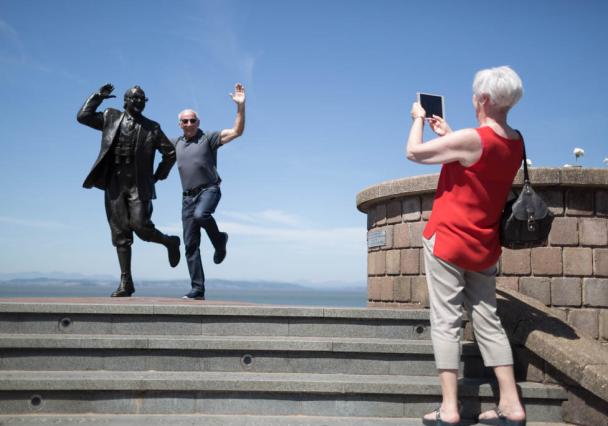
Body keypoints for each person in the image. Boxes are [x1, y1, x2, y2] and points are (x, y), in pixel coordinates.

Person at [406, 66, 527, 426]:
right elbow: (479, 163)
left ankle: (450, 408)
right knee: (488, 319)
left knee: (446, 321)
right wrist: (450, 134)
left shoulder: (473, 139)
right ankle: (512, 405)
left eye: (476, 94)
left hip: (448, 239)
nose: (473, 99)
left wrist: (417, 119)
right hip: (484, 243)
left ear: (485, 99)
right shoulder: (516, 141)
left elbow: (414, 152)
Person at [77, 84, 181, 297]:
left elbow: (170, 153)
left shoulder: (152, 127)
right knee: (120, 233)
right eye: (135, 98)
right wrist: (97, 97)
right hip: (115, 183)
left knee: (141, 227)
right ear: (125, 101)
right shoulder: (110, 117)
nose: (139, 102)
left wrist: (157, 176)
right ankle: (126, 282)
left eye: (142, 99)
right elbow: (83, 117)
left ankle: (170, 242)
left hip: (138, 184)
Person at [174, 83, 246, 300]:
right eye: (185, 121)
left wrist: (240, 107)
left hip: (209, 190)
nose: (189, 124)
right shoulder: (174, 143)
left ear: (198, 122)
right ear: (180, 124)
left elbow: (237, 131)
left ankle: (219, 241)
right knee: (190, 245)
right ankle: (197, 289)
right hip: (187, 198)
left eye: (192, 120)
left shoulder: (209, 138)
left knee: (201, 215)